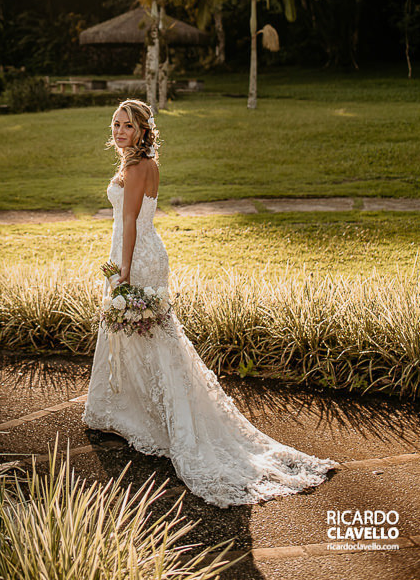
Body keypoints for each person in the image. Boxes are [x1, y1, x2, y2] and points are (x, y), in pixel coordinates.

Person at [82, 98, 338, 509]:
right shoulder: (146, 164)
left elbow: (129, 221)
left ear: (143, 131)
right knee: (149, 336)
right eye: (115, 124)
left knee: (142, 333)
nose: (118, 131)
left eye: (127, 126)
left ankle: (147, 418)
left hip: (136, 257)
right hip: (146, 251)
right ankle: (133, 413)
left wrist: (124, 273)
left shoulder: (134, 168)